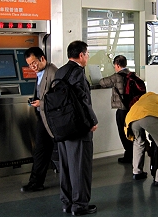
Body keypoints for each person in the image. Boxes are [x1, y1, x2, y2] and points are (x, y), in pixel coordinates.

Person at [55, 40, 99, 216]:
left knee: (65, 166)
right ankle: (80, 204)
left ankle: (67, 202)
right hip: (78, 126)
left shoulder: (60, 71)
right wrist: (92, 121)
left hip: (61, 126)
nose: (87, 57)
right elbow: (83, 100)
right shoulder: (77, 72)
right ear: (81, 55)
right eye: (87, 54)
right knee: (80, 165)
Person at [21, 47, 58, 192]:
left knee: (46, 150)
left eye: (34, 63)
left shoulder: (53, 72)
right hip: (43, 118)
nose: (32, 67)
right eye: (29, 65)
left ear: (42, 58)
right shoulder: (41, 72)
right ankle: (36, 182)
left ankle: (37, 181)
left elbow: (59, 98)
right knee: (41, 151)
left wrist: (41, 103)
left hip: (51, 119)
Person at [124, 92, 158, 186]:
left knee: (138, 142)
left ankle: (137, 172)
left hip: (132, 119)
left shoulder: (142, 100)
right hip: (149, 116)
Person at [99, 55, 133, 164]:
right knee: (131, 131)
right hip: (132, 109)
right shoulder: (132, 75)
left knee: (123, 132)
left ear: (117, 65)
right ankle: (134, 153)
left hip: (122, 109)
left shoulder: (116, 77)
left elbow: (102, 82)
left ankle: (128, 154)